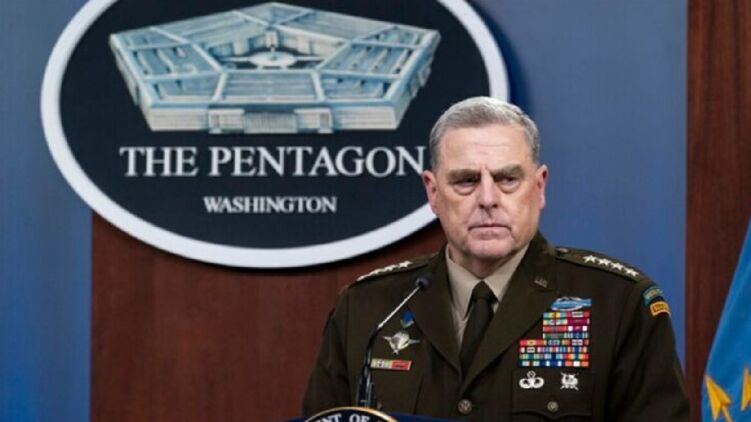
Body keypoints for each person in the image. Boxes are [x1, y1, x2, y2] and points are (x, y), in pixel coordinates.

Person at [302, 97, 689, 421]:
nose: (487, 199)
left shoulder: (618, 305)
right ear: (433, 192)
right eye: (466, 181)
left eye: (507, 179)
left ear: (539, 187)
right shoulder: (368, 310)